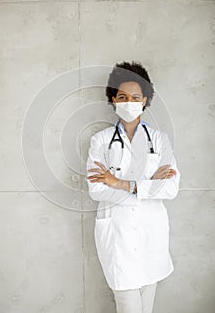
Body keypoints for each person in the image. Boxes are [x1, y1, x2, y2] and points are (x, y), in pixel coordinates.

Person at [86, 61, 181, 313]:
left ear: (146, 99)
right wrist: (148, 185)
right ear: (113, 99)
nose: (129, 102)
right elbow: (96, 190)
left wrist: (118, 183)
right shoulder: (100, 141)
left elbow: (170, 188)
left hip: (152, 236)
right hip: (118, 237)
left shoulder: (160, 141)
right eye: (122, 96)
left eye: (135, 97)